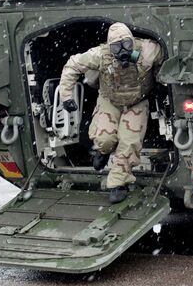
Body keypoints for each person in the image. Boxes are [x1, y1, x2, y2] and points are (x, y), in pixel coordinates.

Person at [58, 22, 163, 204]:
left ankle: (116, 183)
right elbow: (72, 65)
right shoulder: (99, 55)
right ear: (109, 47)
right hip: (109, 99)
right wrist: (66, 96)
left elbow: (168, 58)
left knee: (129, 142)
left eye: (127, 44)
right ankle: (102, 151)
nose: (123, 50)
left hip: (137, 101)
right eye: (116, 47)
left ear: (133, 41)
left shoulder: (148, 50)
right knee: (104, 138)